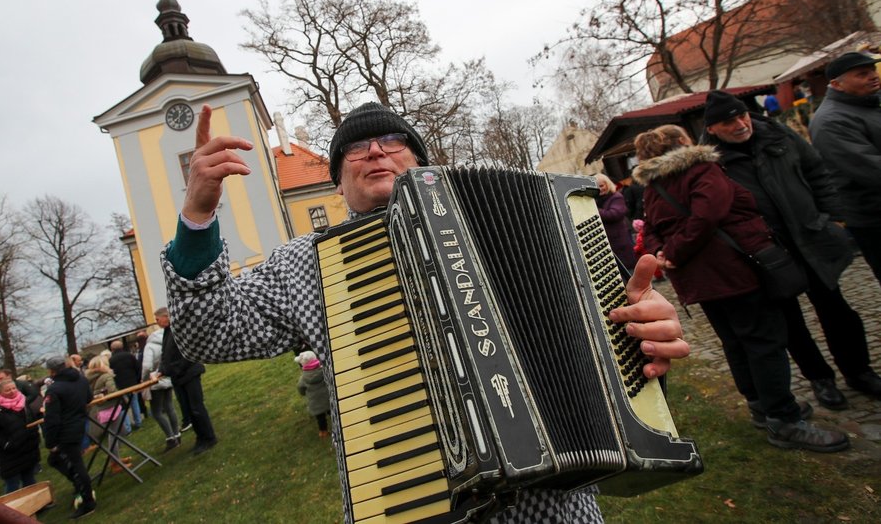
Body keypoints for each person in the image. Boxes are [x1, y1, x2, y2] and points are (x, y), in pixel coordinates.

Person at [161, 102, 691, 523]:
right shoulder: (305, 265)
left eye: (393, 142)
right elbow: (210, 334)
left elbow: (602, 354)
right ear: (338, 183)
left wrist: (642, 335)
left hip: (552, 510)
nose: (376, 151)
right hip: (410, 498)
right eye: (355, 149)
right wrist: (198, 215)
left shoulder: (529, 218)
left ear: (419, 162)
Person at [632, 125, 847, 452]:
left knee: (736, 342)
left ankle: (761, 405)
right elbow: (709, 213)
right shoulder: (701, 169)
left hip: (700, 281)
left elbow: (651, 231)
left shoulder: (653, 188)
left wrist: (664, 253)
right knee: (764, 341)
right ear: (681, 144)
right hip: (733, 272)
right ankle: (783, 419)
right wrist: (672, 252)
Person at [703, 90, 881, 407]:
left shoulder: (776, 132)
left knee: (838, 311)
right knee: (791, 324)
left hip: (809, 235)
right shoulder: (711, 163)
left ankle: (859, 371)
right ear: (713, 128)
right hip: (769, 252)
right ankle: (820, 379)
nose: (741, 124)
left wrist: (833, 218)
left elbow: (817, 170)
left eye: (742, 115)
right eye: (729, 121)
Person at [810, 51, 881, 287]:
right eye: (862, 74)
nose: (872, 76)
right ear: (836, 84)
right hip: (873, 216)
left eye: (872, 70)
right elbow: (869, 168)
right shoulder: (830, 121)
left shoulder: (870, 102)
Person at [42, 354, 96, 519]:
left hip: (66, 431)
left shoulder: (54, 389)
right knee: (57, 460)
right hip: (79, 425)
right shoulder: (80, 379)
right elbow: (88, 398)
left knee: (76, 465)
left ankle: (87, 501)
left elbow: (52, 419)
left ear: (52, 371)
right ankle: (81, 487)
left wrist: (50, 441)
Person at [158, 307, 217, 455]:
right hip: (178, 377)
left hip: (189, 373)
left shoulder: (179, 328)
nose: (156, 322)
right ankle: (200, 438)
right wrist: (162, 370)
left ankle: (209, 437)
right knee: (189, 410)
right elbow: (165, 354)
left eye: (157, 319)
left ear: (166, 317)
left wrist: (172, 370)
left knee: (197, 408)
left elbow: (188, 353)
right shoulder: (167, 332)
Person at [0, 379, 41, 494]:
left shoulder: (23, 403)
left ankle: (36, 504)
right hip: (10, 455)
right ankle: (11, 510)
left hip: (28, 449)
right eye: (8, 390)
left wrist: (34, 437)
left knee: (29, 480)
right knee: (13, 485)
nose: (12, 391)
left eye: (14, 388)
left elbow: (31, 421)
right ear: (0, 393)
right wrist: (7, 445)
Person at [140, 322, 181, 452]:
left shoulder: (150, 346)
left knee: (157, 412)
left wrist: (144, 379)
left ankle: (170, 438)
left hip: (155, 381)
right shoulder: (167, 340)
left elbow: (147, 366)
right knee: (170, 407)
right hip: (166, 378)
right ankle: (177, 434)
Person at [85, 355, 124, 469]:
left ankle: (116, 459)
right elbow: (112, 391)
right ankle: (115, 462)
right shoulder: (106, 376)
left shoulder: (88, 379)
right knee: (114, 434)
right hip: (111, 407)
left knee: (115, 433)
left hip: (100, 409)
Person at [594, 173, 637, 274]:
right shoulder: (596, 201)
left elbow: (614, 214)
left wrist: (595, 210)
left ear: (607, 184)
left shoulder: (616, 197)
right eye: (596, 187)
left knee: (631, 273)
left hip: (620, 242)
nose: (600, 189)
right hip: (609, 244)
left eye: (601, 186)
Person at [294, 351, 330, 439]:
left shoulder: (303, 378)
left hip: (315, 403)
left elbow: (300, 387)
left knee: (321, 419)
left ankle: (323, 432)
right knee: (332, 411)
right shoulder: (324, 371)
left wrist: (303, 393)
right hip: (327, 398)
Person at [108, 340, 143, 431]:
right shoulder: (130, 356)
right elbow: (138, 367)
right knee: (134, 402)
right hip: (132, 383)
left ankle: (127, 427)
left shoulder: (111, 360)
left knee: (123, 406)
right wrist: (137, 379)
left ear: (112, 349)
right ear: (122, 347)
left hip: (119, 385)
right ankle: (138, 422)